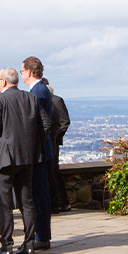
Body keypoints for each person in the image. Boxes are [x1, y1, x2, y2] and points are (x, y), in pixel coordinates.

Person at [0, 68, 52, 254]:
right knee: (26, 203)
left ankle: (7, 246)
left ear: (3, 82)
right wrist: (31, 144)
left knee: (4, 204)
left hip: (3, 158)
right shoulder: (31, 98)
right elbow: (46, 125)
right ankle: (29, 245)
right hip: (27, 157)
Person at [20, 56, 55, 249]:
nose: (22, 74)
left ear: (30, 72)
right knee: (39, 194)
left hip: (39, 151)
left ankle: (42, 235)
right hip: (41, 150)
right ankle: (40, 234)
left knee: (40, 194)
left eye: (22, 71)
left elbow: (42, 124)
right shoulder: (39, 90)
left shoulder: (38, 92)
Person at [47, 79, 73, 213]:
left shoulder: (56, 101)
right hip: (48, 143)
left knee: (54, 172)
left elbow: (65, 122)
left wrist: (55, 138)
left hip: (53, 143)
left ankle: (62, 201)